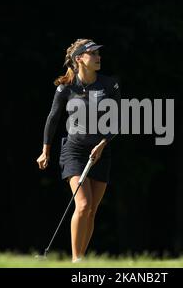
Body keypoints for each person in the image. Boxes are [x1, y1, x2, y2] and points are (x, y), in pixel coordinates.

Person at [36, 38, 121, 262]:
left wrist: (102, 144)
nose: (98, 57)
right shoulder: (66, 88)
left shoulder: (109, 84)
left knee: (92, 209)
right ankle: (76, 261)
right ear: (79, 59)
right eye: (92, 54)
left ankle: (81, 258)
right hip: (74, 151)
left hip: (101, 153)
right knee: (82, 205)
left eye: (98, 53)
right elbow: (52, 119)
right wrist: (45, 151)